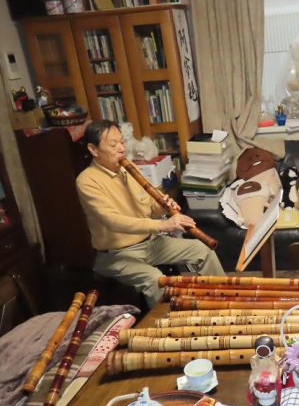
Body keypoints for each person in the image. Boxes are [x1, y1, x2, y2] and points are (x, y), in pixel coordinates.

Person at [76, 120, 225, 307]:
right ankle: (168, 322)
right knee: (155, 279)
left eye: (122, 142)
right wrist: (162, 225)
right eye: (113, 145)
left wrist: (164, 206)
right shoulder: (87, 181)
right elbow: (113, 221)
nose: (121, 149)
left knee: (202, 250)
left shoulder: (130, 169)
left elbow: (149, 206)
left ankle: (224, 300)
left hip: (151, 243)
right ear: (94, 150)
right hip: (117, 255)